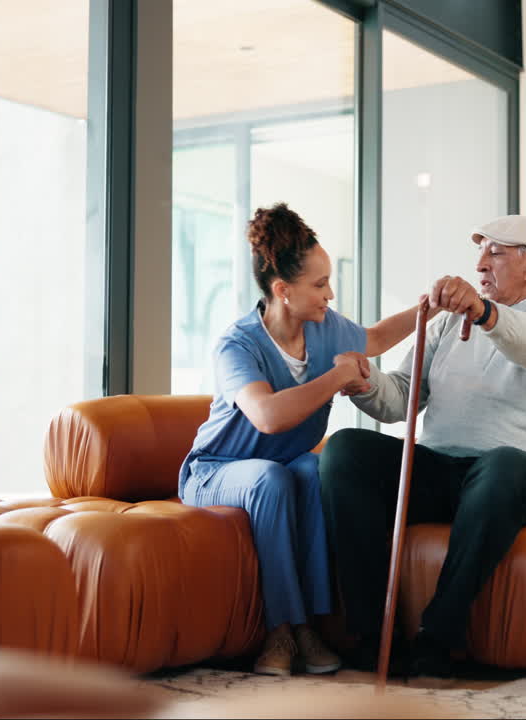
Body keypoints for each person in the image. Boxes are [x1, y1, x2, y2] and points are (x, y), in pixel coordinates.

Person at [319, 214, 526, 677]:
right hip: (445, 471)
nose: (481, 263)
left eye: (496, 252)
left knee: (503, 465)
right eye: (480, 251)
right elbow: (402, 397)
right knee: (345, 449)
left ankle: (439, 635)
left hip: (524, 478)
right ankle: (368, 635)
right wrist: (364, 382)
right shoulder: (447, 326)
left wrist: (485, 315)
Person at [179, 203, 424, 677]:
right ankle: (280, 631)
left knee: (316, 470)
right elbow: (268, 417)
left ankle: (311, 626)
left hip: (288, 465)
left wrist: (426, 308)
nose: (330, 293)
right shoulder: (238, 345)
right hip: (215, 471)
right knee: (270, 479)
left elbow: (373, 338)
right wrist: (334, 380)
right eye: (319, 284)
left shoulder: (324, 327)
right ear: (282, 291)